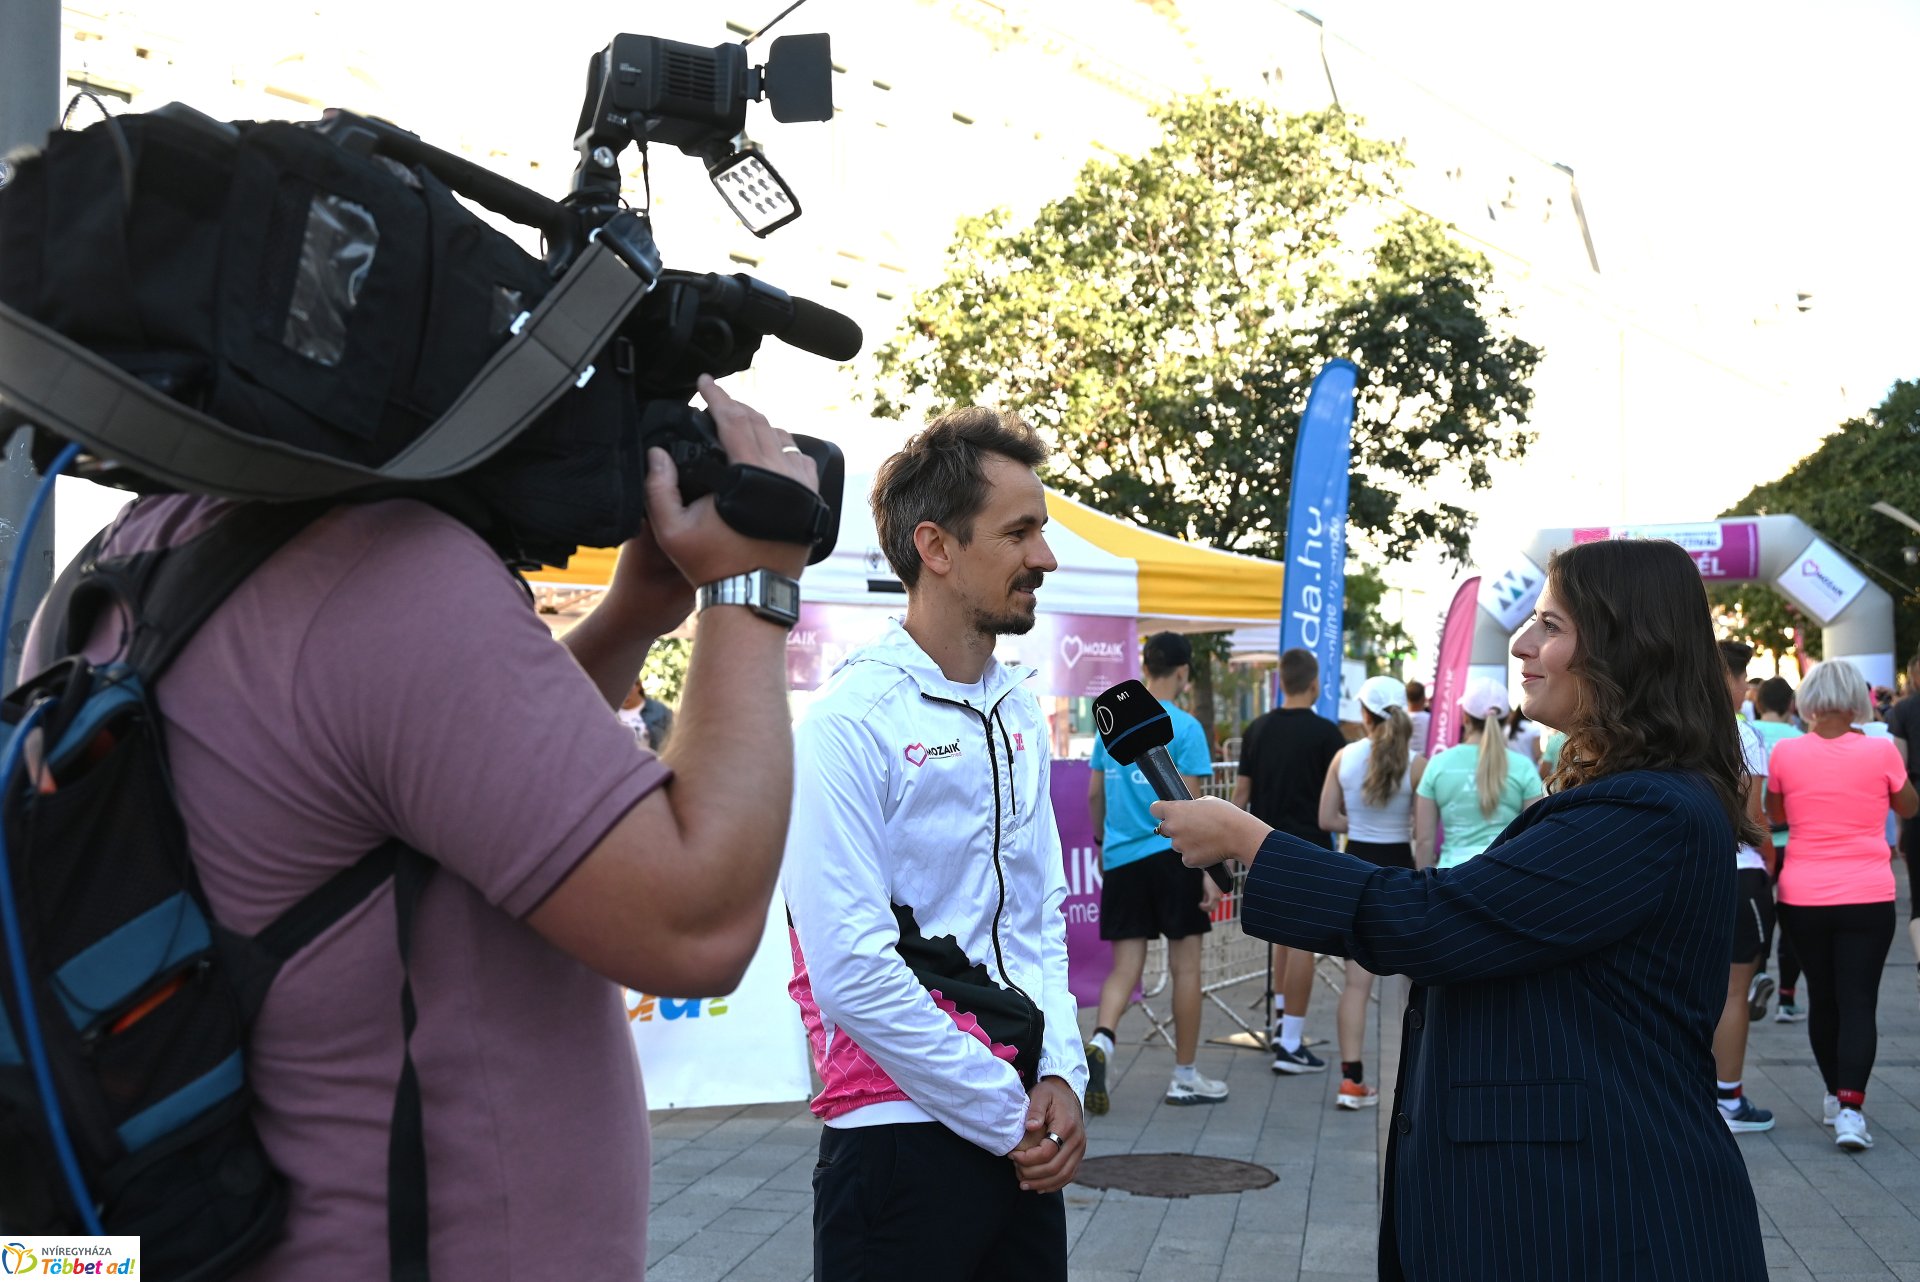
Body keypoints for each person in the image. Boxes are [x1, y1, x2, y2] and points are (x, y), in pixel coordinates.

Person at [22, 377, 818, 1278]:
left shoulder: (106, 575)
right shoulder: (385, 567)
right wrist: (752, 588)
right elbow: (695, 923)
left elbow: (427, 787)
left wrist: (631, 618)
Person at [1154, 537, 1767, 1282]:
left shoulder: (1647, 811)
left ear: (1627, 647)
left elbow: (1437, 922)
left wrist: (1253, 842)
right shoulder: (1636, 797)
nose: (1522, 642)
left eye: (1552, 625)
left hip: (1605, 1217)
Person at [780, 408, 1086, 1280]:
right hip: (897, 1140)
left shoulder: (1018, 706)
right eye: (1020, 532)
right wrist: (1008, 1109)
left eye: (1044, 529)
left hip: (1020, 1126)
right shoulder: (847, 725)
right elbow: (851, 970)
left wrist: (1059, 1070)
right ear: (936, 547)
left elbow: (1039, 914)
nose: (1046, 557)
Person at [1766, 660, 1919, 1151]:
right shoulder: (1879, 752)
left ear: (1806, 701)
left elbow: (1775, 814)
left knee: (1823, 998)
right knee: (1859, 1002)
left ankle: (1833, 1094)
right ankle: (1851, 1109)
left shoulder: (1786, 753)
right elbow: (1910, 806)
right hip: (1868, 894)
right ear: (1857, 698)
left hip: (1803, 894)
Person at [1084, 632, 1226, 1113]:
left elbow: (1093, 797)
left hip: (1122, 860)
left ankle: (1101, 1042)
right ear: (1183, 672)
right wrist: (1211, 869)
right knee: (1186, 968)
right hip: (1175, 857)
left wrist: (1106, 844)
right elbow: (1196, 809)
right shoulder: (1184, 727)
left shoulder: (1112, 726)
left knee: (1126, 968)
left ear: (1147, 667)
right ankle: (1184, 1077)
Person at [1234, 647, 1348, 1074]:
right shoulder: (1327, 734)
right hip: (1311, 850)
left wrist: (1226, 846)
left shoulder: (1257, 729)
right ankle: (1291, 1044)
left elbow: (1240, 796)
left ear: (1281, 681)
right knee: (1301, 943)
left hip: (1261, 847)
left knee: (1283, 940)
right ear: (1315, 685)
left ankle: (1285, 1023)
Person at [1316, 675, 1425, 1109]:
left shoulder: (1344, 757)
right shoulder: (1418, 763)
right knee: (1411, 987)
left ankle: (1351, 1080)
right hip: (1402, 872)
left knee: (1356, 985)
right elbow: (1422, 829)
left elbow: (1326, 818)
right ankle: (1414, 1086)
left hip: (1354, 870)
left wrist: (1359, 827)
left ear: (1364, 714)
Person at [1710, 641, 1776, 1132]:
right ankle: (1729, 1100)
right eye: (1743, 679)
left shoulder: (1676, 726)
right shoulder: (1740, 734)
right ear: (1730, 680)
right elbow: (1751, 818)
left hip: (1686, 871)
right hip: (1738, 871)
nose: (1745, 689)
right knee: (1735, 991)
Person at [1412, 677, 1542, 870]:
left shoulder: (1438, 764)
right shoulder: (1523, 767)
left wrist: (1424, 890)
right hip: (1506, 876)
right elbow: (1535, 835)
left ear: (1465, 718)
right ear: (1506, 719)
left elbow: (1424, 840)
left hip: (1451, 878)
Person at [1748, 676, 1805, 1021]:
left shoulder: (1743, 734)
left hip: (1754, 842)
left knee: (1760, 918)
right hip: (1792, 841)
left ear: (1757, 703)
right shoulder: (1802, 740)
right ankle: (1787, 996)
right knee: (1792, 920)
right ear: (1791, 706)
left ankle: (1756, 978)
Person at [1887, 654, 1920, 1008]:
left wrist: (1898, 828)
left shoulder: (1904, 711)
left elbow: (1901, 772)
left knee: (1919, 899)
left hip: (1918, 813)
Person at [1404, 679, 1431, 754]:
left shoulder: (1399, 721)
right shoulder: (1431, 721)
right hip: (1427, 762)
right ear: (1423, 698)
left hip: (1404, 762)